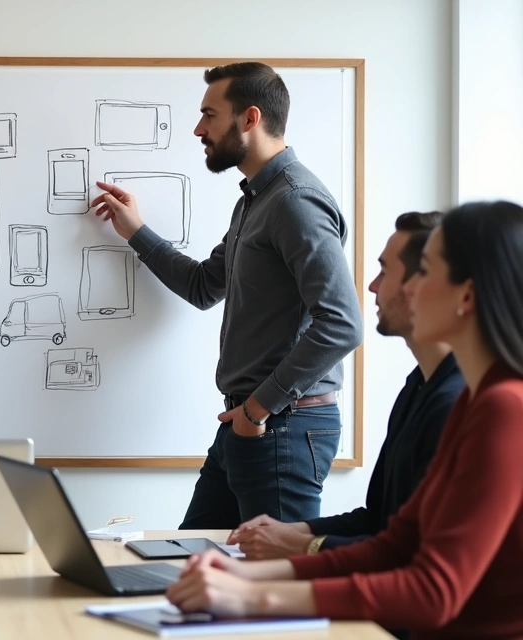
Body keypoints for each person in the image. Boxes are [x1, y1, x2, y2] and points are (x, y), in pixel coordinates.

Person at [165, 200, 523, 640]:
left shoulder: (504, 408)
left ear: (466, 295)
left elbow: (432, 591)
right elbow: (395, 544)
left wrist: (252, 597)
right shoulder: (473, 399)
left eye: (425, 272)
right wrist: (246, 576)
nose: (408, 289)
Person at [92, 61, 363, 528]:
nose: (199, 129)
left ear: (250, 118)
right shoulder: (255, 202)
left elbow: (342, 324)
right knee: (190, 556)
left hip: (280, 425)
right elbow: (203, 286)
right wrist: (135, 231)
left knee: (274, 570)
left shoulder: (295, 201)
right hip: (249, 421)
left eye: (209, 115)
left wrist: (257, 409)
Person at [229, 211, 464, 561]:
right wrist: (295, 531)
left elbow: (413, 557)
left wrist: (303, 546)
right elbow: (379, 519)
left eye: (385, 271)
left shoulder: (454, 405)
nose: (371, 286)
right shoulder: (416, 389)